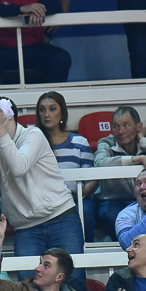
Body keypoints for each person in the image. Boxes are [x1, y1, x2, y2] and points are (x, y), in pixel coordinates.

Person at [0, 97, 91, 291]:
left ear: (9, 115)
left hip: (60, 217)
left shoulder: (34, 134)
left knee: (74, 281)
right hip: (26, 227)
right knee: (29, 287)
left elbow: (19, 167)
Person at [94, 106, 146, 241]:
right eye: (116, 126)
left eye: (126, 125)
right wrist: (139, 159)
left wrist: (142, 139)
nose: (120, 131)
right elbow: (100, 163)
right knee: (112, 216)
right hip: (114, 201)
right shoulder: (106, 142)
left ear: (138, 126)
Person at [35, 91, 96, 240]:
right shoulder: (33, 143)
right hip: (43, 200)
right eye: (42, 110)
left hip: (75, 198)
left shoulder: (79, 142)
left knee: (86, 210)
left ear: (62, 112)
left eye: (52, 109)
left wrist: (79, 194)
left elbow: (92, 180)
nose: (46, 114)